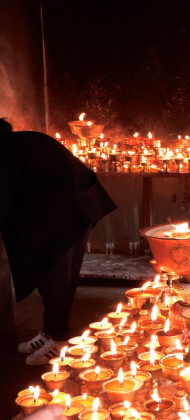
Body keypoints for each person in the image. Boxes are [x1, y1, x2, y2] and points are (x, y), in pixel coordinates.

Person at [0, 118, 116, 365]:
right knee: (49, 277)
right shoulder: (20, 142)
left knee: (56, 280)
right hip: (70, 206)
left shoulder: (6, 152)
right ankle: (49, 332)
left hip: (67, 211)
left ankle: (59, 341)